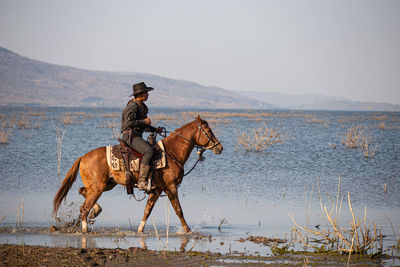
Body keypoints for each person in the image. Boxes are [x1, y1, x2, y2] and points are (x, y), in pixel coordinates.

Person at [120, 82, 161, 191]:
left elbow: (144, 126)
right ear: (140, 94)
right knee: (148, 151)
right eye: (146, 92)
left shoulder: (142, 106)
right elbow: (129, 123)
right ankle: (142, 181)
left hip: (136, 135)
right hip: (129, 136)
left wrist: (155, 129)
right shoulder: (133, 105)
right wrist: (144, 121)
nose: (148, 95)